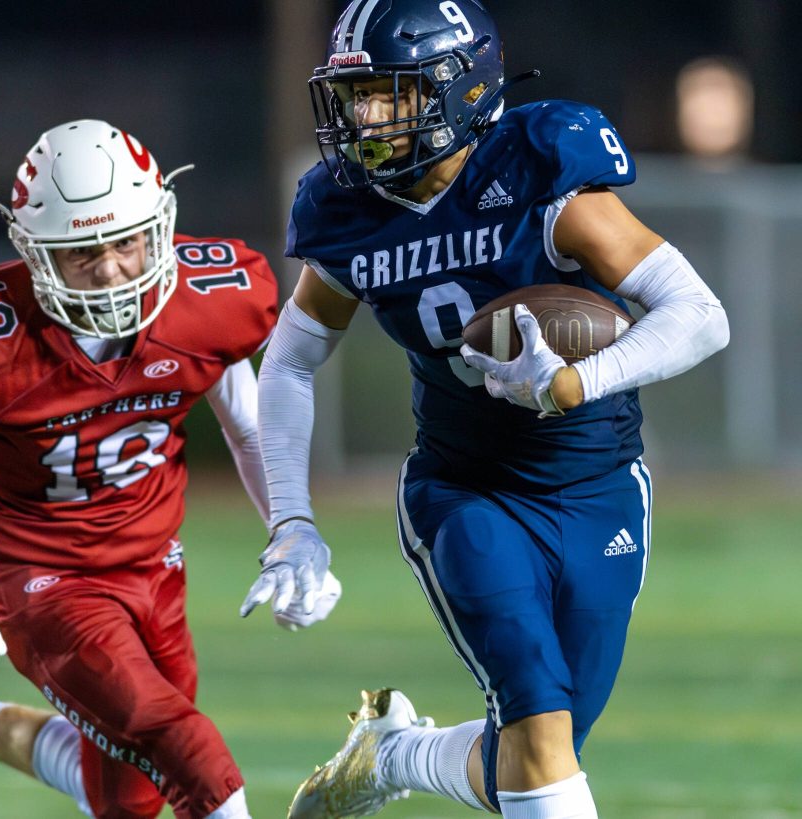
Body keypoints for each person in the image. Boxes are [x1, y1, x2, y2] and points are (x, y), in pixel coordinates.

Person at [239, 1, 730, 817]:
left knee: (540, 756)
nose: (367, 119)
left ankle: (390, 754)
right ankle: (394, 752)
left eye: (391, 95)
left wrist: (578, 380)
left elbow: (699, 314)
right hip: (465, 492)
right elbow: (290, 358)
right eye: (357, 98)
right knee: (539, 741)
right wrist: (291, 521)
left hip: (598, 483)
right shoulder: (346, 206)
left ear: (461, 89)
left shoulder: (542, 170)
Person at [0, 118, 327, 819]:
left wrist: (290, 532)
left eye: (125, 242)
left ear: (158, 226)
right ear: (36, 253)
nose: (110, 269)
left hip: (155, 563)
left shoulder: (204, 303)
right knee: (182, 746)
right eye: (82, 253)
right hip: (41, 576)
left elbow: (249, 428)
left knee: (131, 799)